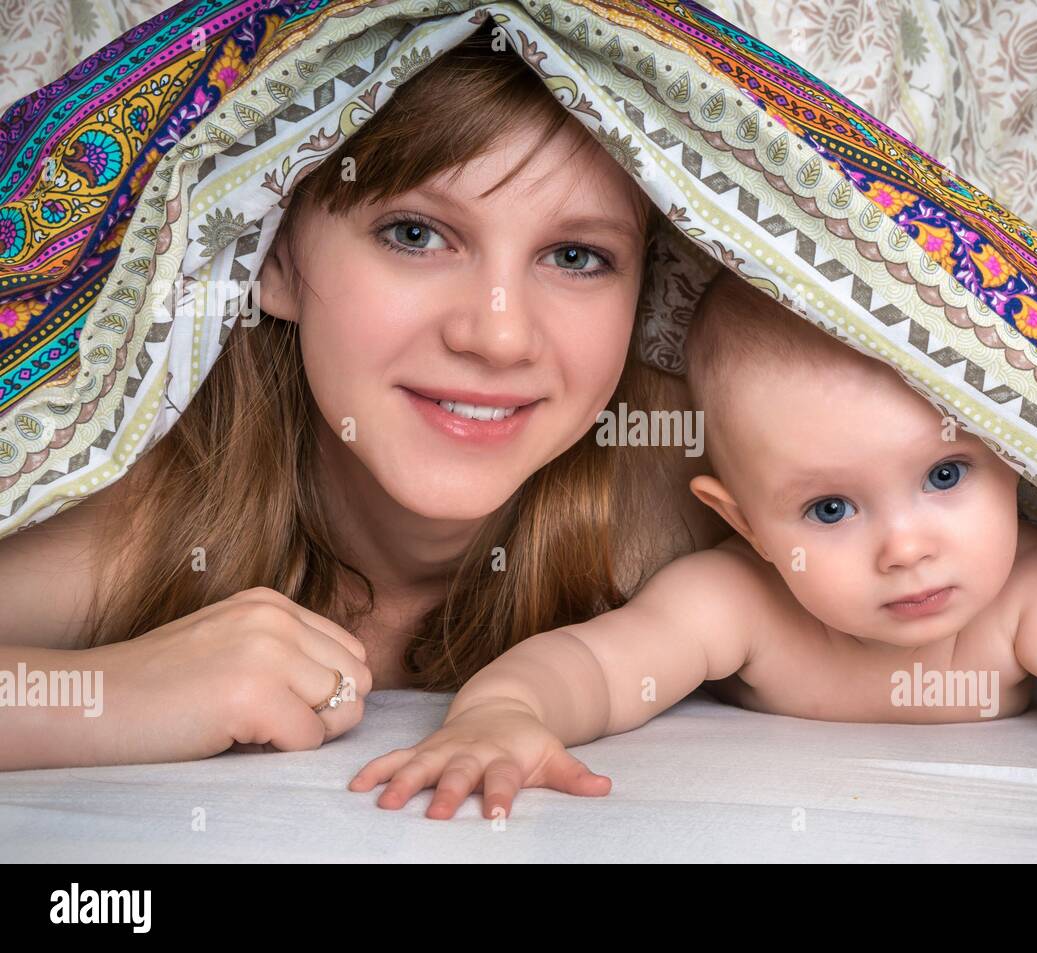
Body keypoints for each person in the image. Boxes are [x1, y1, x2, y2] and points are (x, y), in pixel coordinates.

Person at [353, 266, 1037, 864]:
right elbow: (597, 666)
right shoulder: (740, 599)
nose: (907, 544)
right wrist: (503, 716)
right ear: (749, 524)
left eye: (944, 473)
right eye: (831, 508)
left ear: (1014, 459)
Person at [0, 21, 726, 771]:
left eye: (577, 256)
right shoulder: (150, 519)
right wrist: (119, 694)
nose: (499, 336)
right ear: (272, 256)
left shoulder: (688, 502)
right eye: (415, 234)